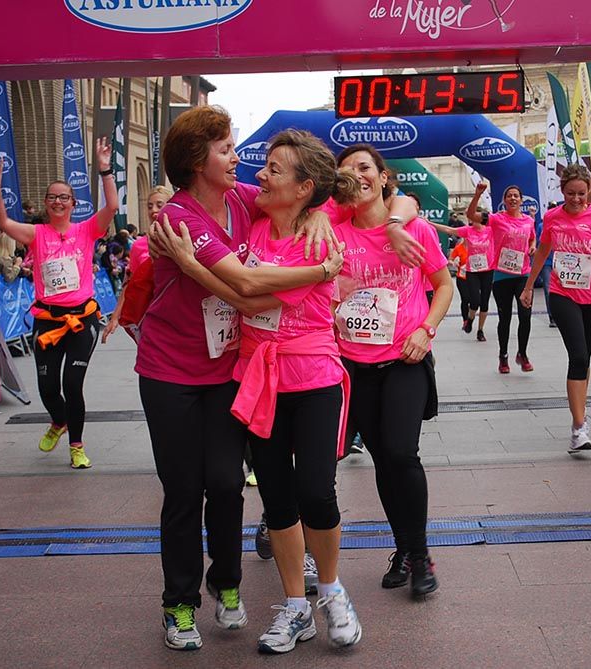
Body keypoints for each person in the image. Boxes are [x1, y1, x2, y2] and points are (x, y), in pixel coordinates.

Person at [134, 107, 347, 652]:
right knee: (184, 490)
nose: (239, 159)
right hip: (172, 371)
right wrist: (322, 272)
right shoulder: (178, 219)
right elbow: (246, 284)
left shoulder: (239, 199)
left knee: (228, 484)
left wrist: (321, 213)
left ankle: (226, 584)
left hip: (232, 367)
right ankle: (178, 605)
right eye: (225, 149)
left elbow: (301, 195)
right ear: (194, 161)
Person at [222, 129, 363, 654]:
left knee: (316, 493)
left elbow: (255, 288)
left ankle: (331, 591)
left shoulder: (322, 236)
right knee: (277, 498)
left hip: (314, 380)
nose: (261, 174)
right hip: (259, 379)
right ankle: (296, 608)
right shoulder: (253, 223)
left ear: (304, 188)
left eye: (274, 169)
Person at [334, 143, 452, 598]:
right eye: (347, 171)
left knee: (402, 454)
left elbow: (442, 286)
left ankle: (420, 554)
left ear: (384, 177)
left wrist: (426, 330)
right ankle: (403, 547)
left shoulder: (415, 228)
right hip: (354, 365)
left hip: (405, 359)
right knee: (383, 460)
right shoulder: (334, 231)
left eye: (365, 167)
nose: (357, 175)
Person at [0, 138, 118, 469]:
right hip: (48, 321)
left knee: (72, 384)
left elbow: (112, 206)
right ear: (47, 204)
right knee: (47, 388)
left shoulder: (87, 230)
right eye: (52, 197)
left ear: (73, 203)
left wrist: (104, 169)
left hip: (81, 321)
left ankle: (76, 445)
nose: (58, 201)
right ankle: (58, 421)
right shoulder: (36, 234)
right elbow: (2, 222)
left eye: (64, 197)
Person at [521, 165, 591, 452]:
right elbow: (543, 251)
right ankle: (580, 427)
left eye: (581, 193)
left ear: (590, 188)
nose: (576, 199)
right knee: (578, 355)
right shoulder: (553, 216)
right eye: (570, 193)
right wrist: (530, 286)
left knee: (584, 359)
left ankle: (578, 417)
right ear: (561, 190)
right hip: (562, 293)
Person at [468, 182, 536, 372]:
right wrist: (477, 195)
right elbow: (471, 215)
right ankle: (503, 356)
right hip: (502, 276)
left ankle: (522, 354)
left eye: (516, 195)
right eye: (509, 196)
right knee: (505, 318)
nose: (513, 198)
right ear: (504, 201)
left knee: (525, 316)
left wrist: (532, 246)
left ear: (521, 200)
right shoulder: (497, 219)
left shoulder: (528, 221)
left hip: (523, 274)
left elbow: (532, 237)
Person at [101, 185, 171, 343]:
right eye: (150, 206)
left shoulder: (183, 239)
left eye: (160, 205)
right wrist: (115, 318)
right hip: (149, 315)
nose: (154, 210)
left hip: (177, 315)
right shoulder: (139, 246)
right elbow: (129, 283)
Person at [426, 207, 495, 340]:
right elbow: (448, 230)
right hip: (472, 271)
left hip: (487, 270)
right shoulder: (468, 231)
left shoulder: (490, 231)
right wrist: (430, 224)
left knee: (485, 302)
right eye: (473, 217)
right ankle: (469, 319)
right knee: (475, 301)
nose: (475, 219)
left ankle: (480, 330)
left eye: (478, 217)